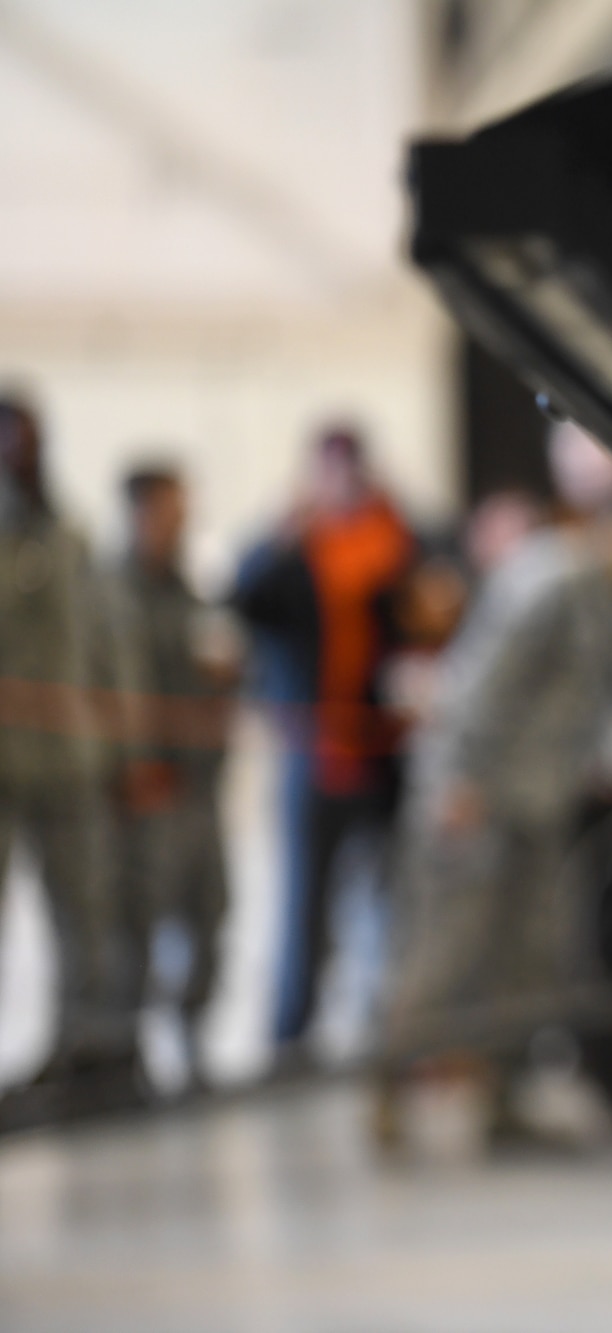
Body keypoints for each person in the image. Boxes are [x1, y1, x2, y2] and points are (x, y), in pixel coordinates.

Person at [376, 435, 612, 1146]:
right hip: (475, 797)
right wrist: (461, 783)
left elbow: (579, 705)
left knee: (529, 954)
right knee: (448, 952)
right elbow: (478, 689)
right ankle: (384, 1087)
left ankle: (502, 1098)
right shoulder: (552, 577)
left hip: (538, 803)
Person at [232, 424, 413, 1065]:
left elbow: (420, 620)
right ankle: (291, 1038)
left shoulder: (395, 541)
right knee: (303, 906)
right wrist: (282, 534)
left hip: (382, 755)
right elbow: (242, 600)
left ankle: (382, 1032)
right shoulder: (293, 549)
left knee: (385, 904)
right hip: (312, 754)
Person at [0, 396, 144, 1117]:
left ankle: (86, 1048)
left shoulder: (68, 536)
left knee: (84, 911)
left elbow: (105, 645)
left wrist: (125, 745)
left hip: (68, 756)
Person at [106, 463, 238, 1091]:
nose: (179, 523)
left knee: (210, 916)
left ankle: (191, 1039)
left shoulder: (194, 594)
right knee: (135, 925)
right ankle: (124, 1055)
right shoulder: (107, 596)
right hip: (143, 791)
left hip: (200, 786)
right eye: (168, 510)